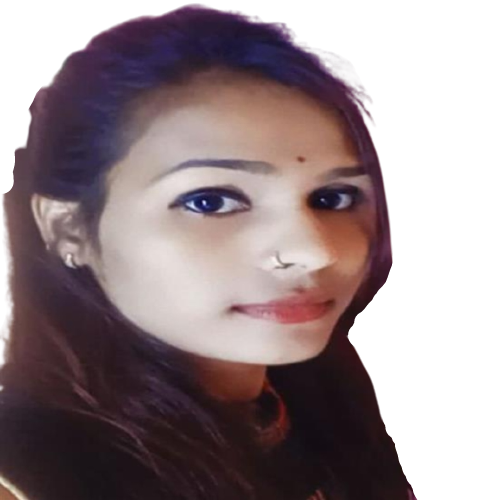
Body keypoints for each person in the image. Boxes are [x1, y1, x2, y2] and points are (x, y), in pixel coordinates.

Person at [0, 5, 416, 499]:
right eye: (210, 201)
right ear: (68, 229)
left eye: (333, 198)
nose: (311, 250)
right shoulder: (25, 474)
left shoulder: (324, 397)